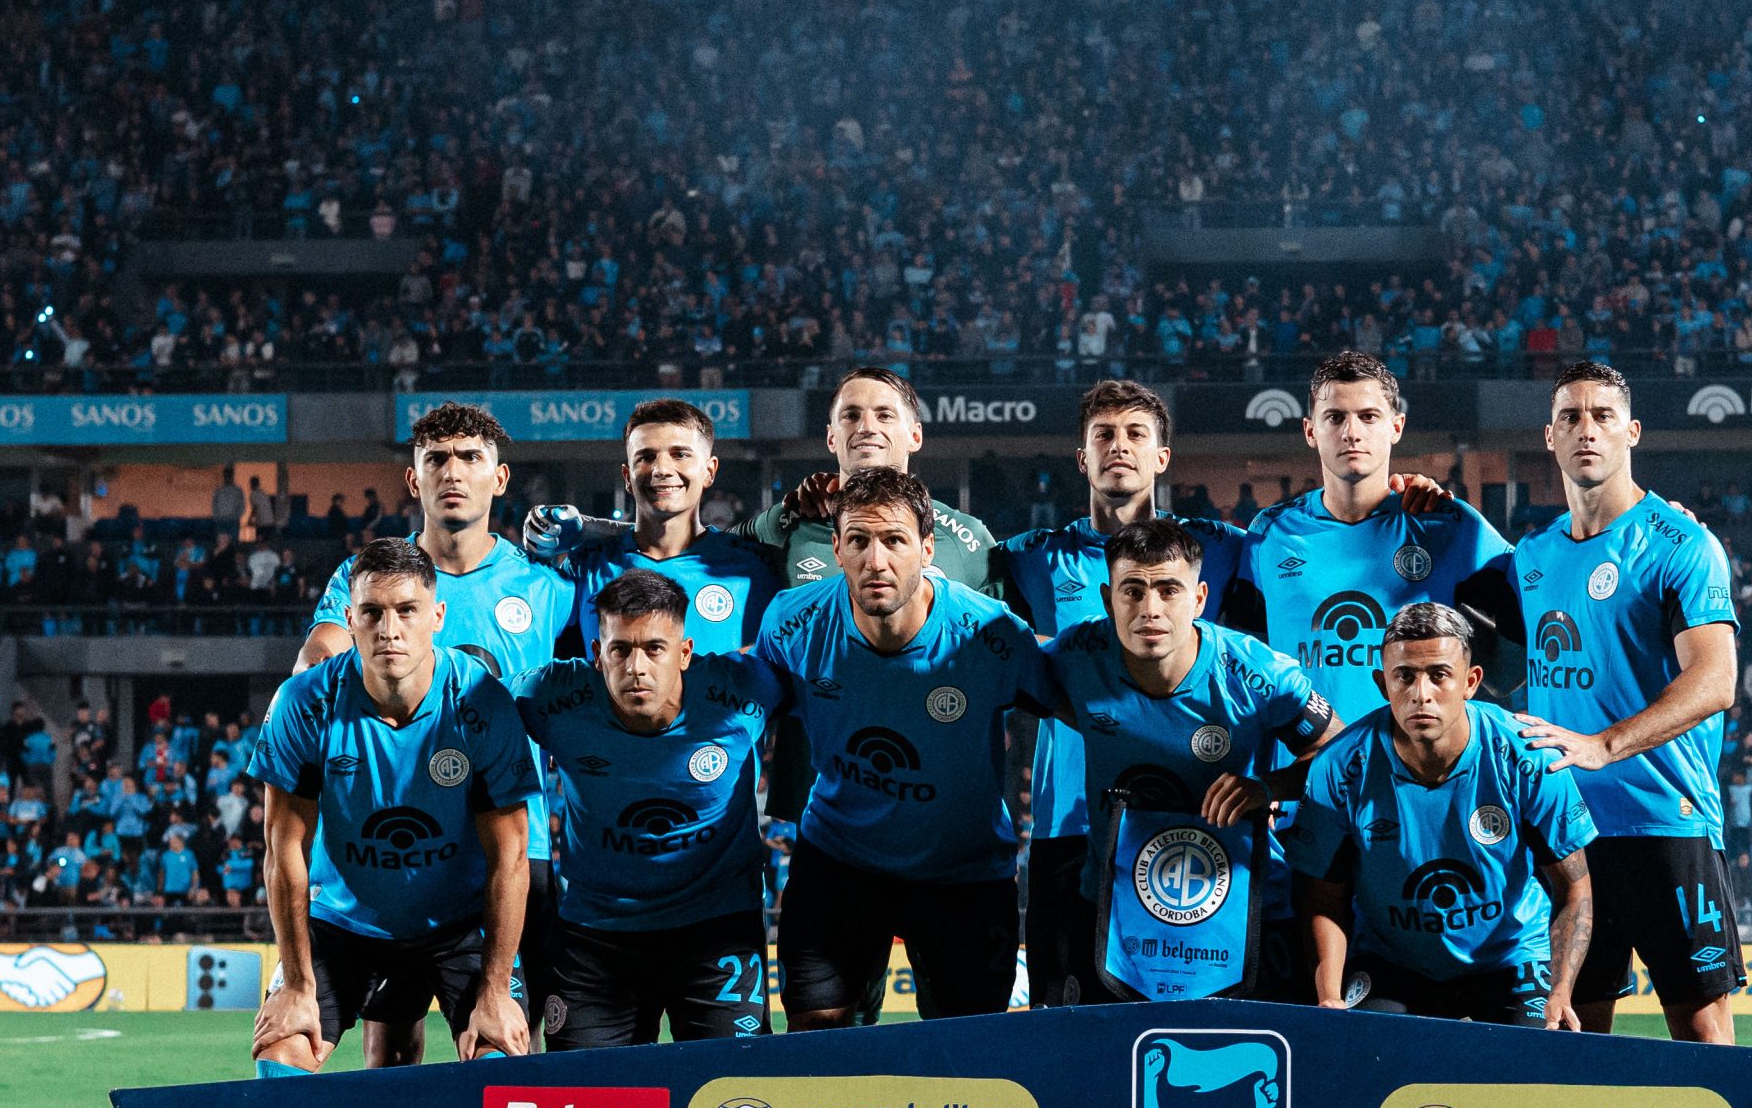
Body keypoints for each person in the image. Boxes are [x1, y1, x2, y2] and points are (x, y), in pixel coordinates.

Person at [297, 403, 573, 1065]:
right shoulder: (373, 576)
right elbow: (318, 657)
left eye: (471, 458)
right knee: (390, 1044)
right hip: (398, 834)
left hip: (512, 843)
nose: (454, 472)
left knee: (507, 1034)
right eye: (437, 459)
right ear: (413, 479)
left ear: (499, 478)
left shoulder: (547, 584)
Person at [753, 467, 1061, 1024]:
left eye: (894, 540)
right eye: (858, 541)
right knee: (815, 1038)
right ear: (837, 550)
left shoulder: (990, 634)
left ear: (927, 548)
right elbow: (738, 707)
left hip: (963, 873)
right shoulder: (792, 622)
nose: (876, 560)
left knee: (963, 1051)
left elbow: (1083, 702)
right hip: (839, 860)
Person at [1510, 360, 1741, 1043]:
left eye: (1603, 416)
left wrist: (1603, 745)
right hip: (1567, 830)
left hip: (1664, 822)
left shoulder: (1681, 544)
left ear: (1631, 432)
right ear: (1549, 436)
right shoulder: (1530, 557)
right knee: (1571, 1034)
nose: (1587, 429)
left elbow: (1715, 680)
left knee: (1702, 1034)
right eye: (1571, 417)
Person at [998, 381, 1249, 1006]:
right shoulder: (1030, 558)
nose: (1120, 446)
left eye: (1136, 434)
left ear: (1162, 457)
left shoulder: (1220, 549)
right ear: (1081, 457)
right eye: (1103, 435)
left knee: (1188, 1015)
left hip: (1188, 819)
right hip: (1068, 821)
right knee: (1062, 1018)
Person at [247, 538, 537, 1074]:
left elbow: (511, 858)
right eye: (372, 613)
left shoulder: (482, 703)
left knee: (502, 1066)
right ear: (350, 620)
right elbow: (283, 851)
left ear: (437, 616)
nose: (389, 630)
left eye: (407, 611)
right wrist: (298, 985)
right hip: (342, 921)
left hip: (458, 924)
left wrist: (496, 990)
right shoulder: (303, 703)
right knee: (280, 1056)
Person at [1045, 520, 1339, 1003]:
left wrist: (1267, 787)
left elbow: (1343, 755)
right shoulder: (1077, 655)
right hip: (1114, 909)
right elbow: (1014, 674)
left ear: (1200, 599)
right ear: (1107, 599)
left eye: (1169, 590)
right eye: (1132, 591)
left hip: (1246, 905)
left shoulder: (1257, 675)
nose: (1150, 609)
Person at [1285, 603, 1595, 1025]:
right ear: (1382, 684)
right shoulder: (1339, 767)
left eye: (1439, 675)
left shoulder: (1528, 756)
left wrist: (1560, 991)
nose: (1421, 694)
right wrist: (1329, 997)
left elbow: (1574, 888)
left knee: (1532, 1060)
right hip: (1392, 963)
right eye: (1404, 676)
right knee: (1360, 1055)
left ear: (1471, 682)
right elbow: (1323, 899)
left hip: (1509, 957)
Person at [514, 570, 781, 1046]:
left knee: (737, 1084)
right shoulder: (549, 698)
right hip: (595, 935)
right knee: (581, 1092)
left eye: (655, 648)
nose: (636, 667)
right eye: (620, 649)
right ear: (597, 654)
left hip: (716, 932)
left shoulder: (744, 691)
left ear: (685, 653)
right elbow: (467, 707)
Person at [1232, 350, 1515, 727]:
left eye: (1368, 416)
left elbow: (1512, 667)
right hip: (1300, 761)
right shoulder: (1270, 533)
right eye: (1335, 417)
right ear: (1310, 431)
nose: (1352, 432)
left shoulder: (1445, 524)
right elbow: (1245, 667)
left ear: (1396, 427)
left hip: (1412, 761)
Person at [521, 398, 782, 652]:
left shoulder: (752, 567)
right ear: (627, 476)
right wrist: (535, 558)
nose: (661, 469)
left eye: (680, 454)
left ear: (709, 471)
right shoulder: (587, 564)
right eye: (646, 457)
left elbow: (775, 658)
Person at [743, 365, 1000, 592]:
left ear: (915, 436)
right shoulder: (783, 524)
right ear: (831, 438)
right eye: (851, 416)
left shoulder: (967, 540)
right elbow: (717, 557)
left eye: (884, 415)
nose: (866, 427)